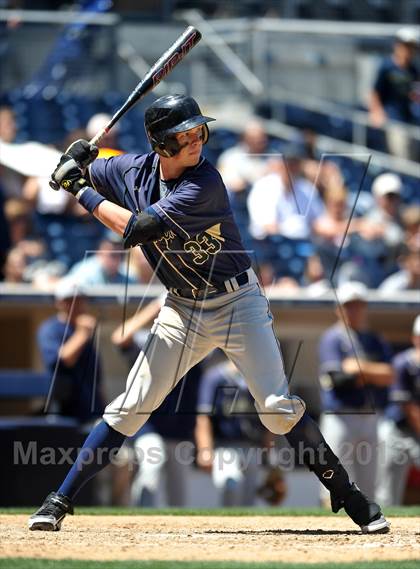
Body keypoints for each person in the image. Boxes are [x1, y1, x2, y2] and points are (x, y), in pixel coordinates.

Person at [28, 94, 389, 534]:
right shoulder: (128, 168)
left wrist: (78, 189)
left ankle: (349, 494)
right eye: (185, 135)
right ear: (161, 144)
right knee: (131, 406)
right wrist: (77, 158)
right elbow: (83, 165)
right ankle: (58, 500)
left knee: (276, 408)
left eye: (199, 131)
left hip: (238, 302)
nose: (197, 140)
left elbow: (136, 229)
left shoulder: (205, 183)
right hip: (182, 308)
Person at [318, 282, 394, 505]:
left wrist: (358, 369)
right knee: (334, 478)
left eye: (358, 305)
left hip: (370, 416)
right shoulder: (332, 338)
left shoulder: (374, 339)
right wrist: (371, 372)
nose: (354, 310)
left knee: (369, 481)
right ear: (338, 309)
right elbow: (338, 378)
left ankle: (368, 522)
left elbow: (389, 375)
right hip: (340, 415)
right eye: (349, 305)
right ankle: (331, 531)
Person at [195, 357, 270, 506]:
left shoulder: (258, 377)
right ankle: (227, 527)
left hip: (252, 446)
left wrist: (269, 452)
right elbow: (204, 417)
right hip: (224, 445)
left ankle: (245, 528)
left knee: (248, 499)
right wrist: (205, 449)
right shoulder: (214, 378)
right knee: (230, 483)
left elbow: (269, 418)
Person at [376, 315, 420, 506]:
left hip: (416, 431)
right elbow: (408, 407)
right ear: (415, 338)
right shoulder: (403, 362)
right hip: (398, 430)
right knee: (387, 490)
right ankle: (383, 527)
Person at [369, 27, 420, 160]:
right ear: (397, 45)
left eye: (412, 47)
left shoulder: (413, 69)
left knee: (413, 157)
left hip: (410, 118)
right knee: (402, 157)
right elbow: (375, 92)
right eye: (406, 46)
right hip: (393, 118)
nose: (409, 51)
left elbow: (414, 92)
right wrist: (376, 111)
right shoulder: (387, 66)